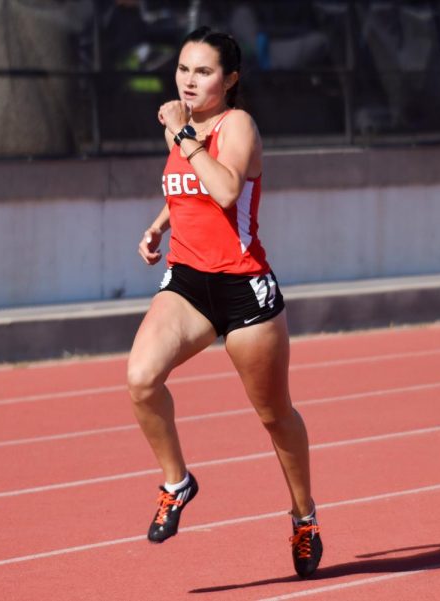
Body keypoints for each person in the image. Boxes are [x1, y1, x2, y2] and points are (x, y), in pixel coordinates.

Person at [126, 26, 323, 578]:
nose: (189, 80)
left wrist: (182, 135)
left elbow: (226, 188)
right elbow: (186, 187)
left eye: (204, 71)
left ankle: (304, 516)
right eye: (184, 69)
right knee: (141, 379)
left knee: (274, 415)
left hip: (243, 287)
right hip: (188, 281)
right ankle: (176, 482)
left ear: (230, 79)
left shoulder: (237, 126)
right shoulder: (182, 127)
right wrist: (158, 225)